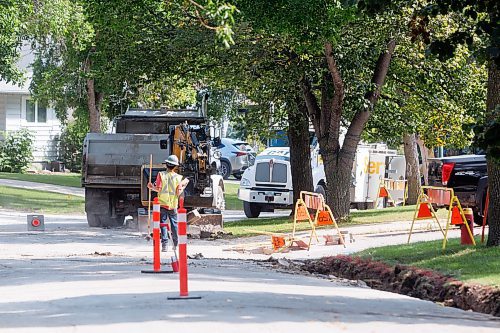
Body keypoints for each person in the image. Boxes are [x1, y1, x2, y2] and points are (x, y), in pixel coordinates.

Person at [147, 155, 189, 252]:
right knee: (174, 224)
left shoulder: (161, 175)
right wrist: (183, 186)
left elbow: (158, 188)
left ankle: (164, 244)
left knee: (163, 224)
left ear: (166, 164)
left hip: (162, 204)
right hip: (173, 204)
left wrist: (150, 187)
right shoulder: (178, 177)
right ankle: (175, 243)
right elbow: (178, 192)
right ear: (175, 166)